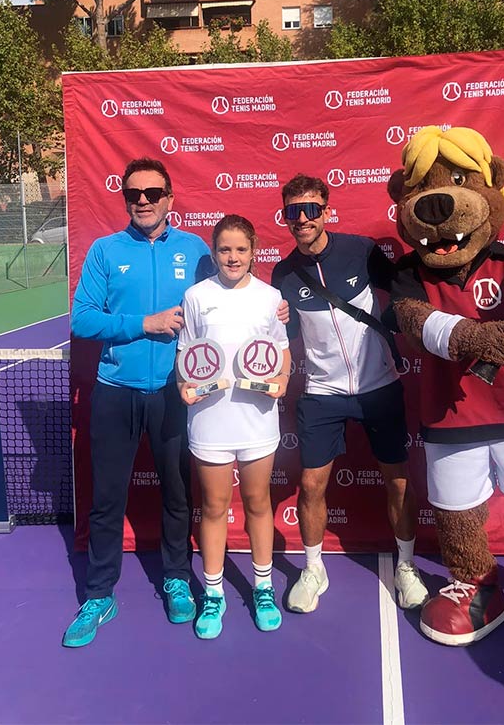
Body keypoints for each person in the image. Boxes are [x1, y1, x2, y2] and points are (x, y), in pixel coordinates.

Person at [62, 157, 215, 648]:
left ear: (171, 198)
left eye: (153, 192)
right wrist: (142, 324)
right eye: (134, 194)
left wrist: (272, 308)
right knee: (106, 499)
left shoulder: (195, 250)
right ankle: (99, 593)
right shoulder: (106, 251)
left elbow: (228, 302)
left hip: (176, 391)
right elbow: (82, 320)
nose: (143, 201)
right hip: (115, 392)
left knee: (177, 493)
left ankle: (175, 577)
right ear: (125, 199)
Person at [271, 174, 428, 613]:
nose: (302, 219)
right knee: (309, 484)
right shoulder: (282, 274)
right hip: (322, 392)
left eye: (310, 209)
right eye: (293, 212)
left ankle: (408, 567)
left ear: (325, 211)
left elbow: (404, 291)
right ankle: (313, 568)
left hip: (378, 385)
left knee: (397, 480)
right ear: (284, 218)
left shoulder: (361, 250)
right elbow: (285, 335)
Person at [177, 214, 290, 639]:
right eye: (225, 249)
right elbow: (185, 357)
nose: (233, 257)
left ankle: (262, 588)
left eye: (241, 249)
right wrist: (184, 387)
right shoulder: (194, 297)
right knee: (213, 507)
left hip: (257, 418)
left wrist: (281, 380)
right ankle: (213, 593)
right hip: (209, 421)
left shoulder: (270, 297)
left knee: (259, 502)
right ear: (213, 252)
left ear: (253, 251)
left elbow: (281, 352)